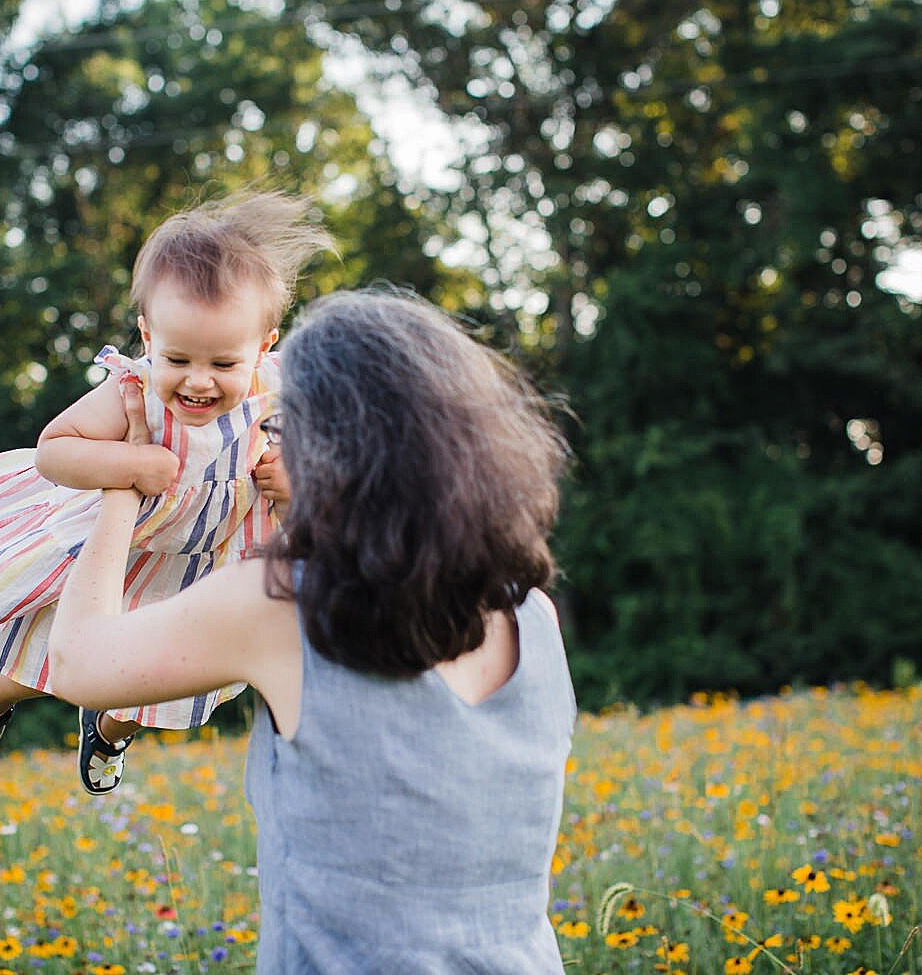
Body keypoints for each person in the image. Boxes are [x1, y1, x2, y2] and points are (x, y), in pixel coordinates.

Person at [47, 289, 576, 971]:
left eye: (280, 424)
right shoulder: (532, 612)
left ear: (331, 446)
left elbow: (77, 663)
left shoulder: (282, 604)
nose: (269, 440)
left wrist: (122, 485)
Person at [0, 190, 334, 795]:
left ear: (264, 345)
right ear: (148, 336)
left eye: (223, 364)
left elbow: (320, 476)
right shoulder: (136, 391)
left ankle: (110, 733)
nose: (199, 381)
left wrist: (291, 479)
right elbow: (55, 448)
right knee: (37, 652)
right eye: (177, 357)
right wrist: (130, 460)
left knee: (152, 682)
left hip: (204, 562)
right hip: (115, 551)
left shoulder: (280, 394)